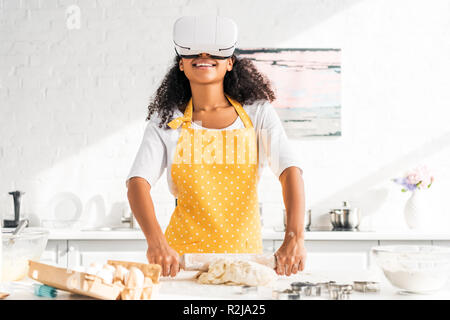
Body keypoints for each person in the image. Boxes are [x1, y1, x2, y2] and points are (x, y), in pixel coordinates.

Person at [126, 15, 306, 278]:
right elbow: (137, 183)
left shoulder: (258, 113)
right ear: (181, 65)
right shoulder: (167, 119)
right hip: (181, 262)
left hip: (245, 261)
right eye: (193, 52)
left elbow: (290, 171)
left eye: (215, 51)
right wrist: (156, 242)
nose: (203, 54)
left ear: (230, 62)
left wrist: (295, 236)